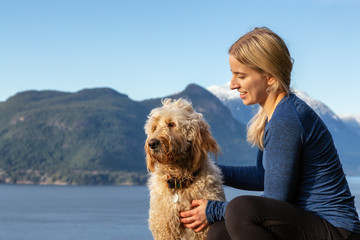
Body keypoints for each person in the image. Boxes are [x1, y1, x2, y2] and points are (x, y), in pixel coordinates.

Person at [179, 27, 360, 239]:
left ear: (270, 78)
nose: (232, 85)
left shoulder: (287, 119)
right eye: (232, 75)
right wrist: (205, 169)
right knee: (220, 232)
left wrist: (215, 210)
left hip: (336, 231)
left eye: (241, 76)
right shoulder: (271, 116)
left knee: (240, 210)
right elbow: (264, 176)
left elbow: (275, 200)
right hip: (307, 224)